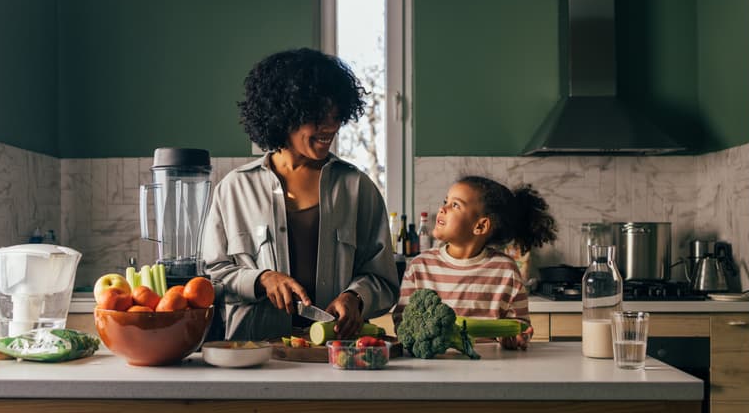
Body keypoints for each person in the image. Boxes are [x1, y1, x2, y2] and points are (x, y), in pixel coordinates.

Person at [201, 48, 400, 340]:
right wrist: (261, 280)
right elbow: (211, 276)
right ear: (284, 116)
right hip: (255, 357)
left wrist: (355, 298)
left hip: (337, 358)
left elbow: (383, 279)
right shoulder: (233, 189)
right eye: (317, 116)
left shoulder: (358, 188)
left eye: (335, 114)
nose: (330, 126)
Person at [393, 176, 557, 350]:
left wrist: (516, 337)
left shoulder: (505, 271)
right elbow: (401, 321)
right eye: (445, 201)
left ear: (480, 226)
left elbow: (521, 324)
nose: (442, 208)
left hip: (490, 366)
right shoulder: (420, 267)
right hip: (433, 365)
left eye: (455, 205)